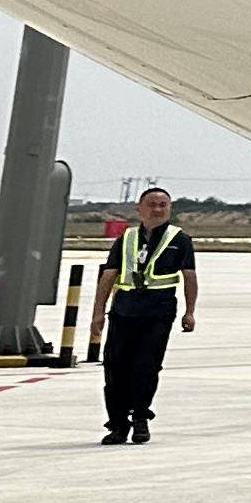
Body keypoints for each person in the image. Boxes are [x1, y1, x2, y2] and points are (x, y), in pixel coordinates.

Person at [89, 186, 197, 444]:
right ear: (139, 209)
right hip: (124, 310)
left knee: (146, 367)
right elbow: (108, 275)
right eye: (152, 204)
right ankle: (117, 424)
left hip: (158, 312)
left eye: (163, 205)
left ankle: (140, 418)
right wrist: (98, 313)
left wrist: (189, 311)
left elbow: (189, 276)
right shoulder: (125, 239)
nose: (157, 209)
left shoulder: (180, 239)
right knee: (115, 368)